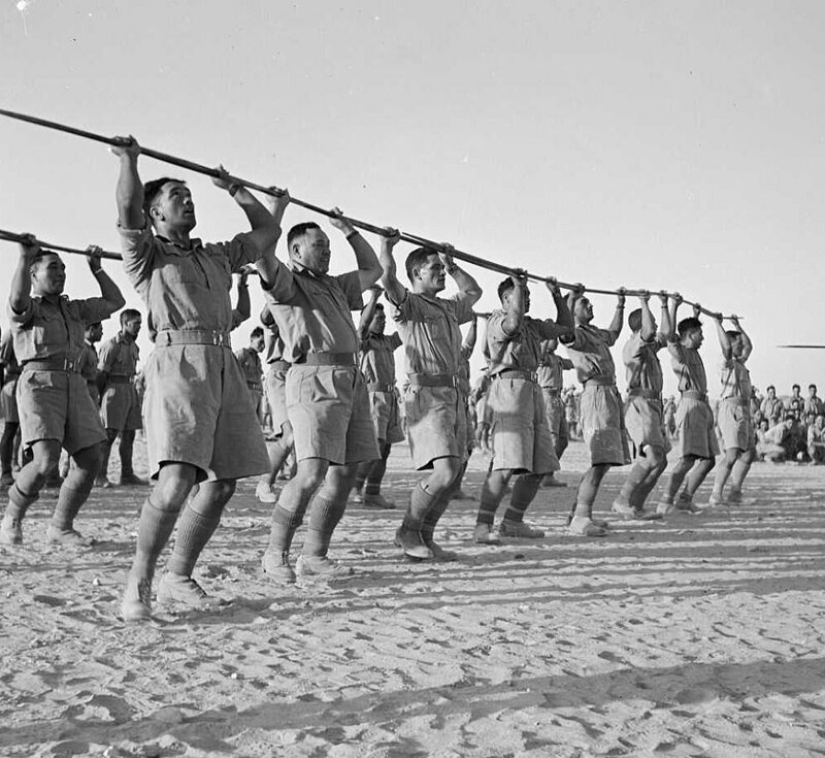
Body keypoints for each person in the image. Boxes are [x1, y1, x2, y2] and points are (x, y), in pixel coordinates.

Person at [112, 137, 279, 621]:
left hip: (223, 362)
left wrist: (236, 190)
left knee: (222, 484)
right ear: (155, 214)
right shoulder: (146, 256)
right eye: (176, 197)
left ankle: (178, 577)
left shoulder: (218, 256)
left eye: (190, 195)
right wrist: (129, 161)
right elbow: (127, 209)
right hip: (177, 362)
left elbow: (268, 230)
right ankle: (139, 581)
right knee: (176, 482)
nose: (188, 201)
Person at [259, 206, 383, 583]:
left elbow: (373, 269)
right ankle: (275, 553)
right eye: (319, 246)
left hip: (350, 379)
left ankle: (314, 554)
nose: (327, 252)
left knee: (344, 474)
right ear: (296, 251)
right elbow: (263, 252)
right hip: (313, 377)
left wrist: (348, 229)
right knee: (311, 473)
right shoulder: (286, 283)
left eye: (329, 246)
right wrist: (276, 208)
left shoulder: (335, 285)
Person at [0, 237, 125, 546]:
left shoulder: (75, 309)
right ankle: (12, 516)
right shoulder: (29, 308)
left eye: (64, 268)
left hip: (75, 383)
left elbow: (115, 302)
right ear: (34, 275)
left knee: (90, 459)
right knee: (45, 461)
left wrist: (97, 269)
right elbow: (16, 298)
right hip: (39, 384)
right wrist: (24, 258)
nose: (61, 273)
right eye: (53, 267)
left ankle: (61, 526)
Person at [380, 236, 482, 561]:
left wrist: (453, 266)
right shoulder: (409, 305)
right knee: (446, 471)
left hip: (453, 395)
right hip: (426, 395)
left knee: (455, 474)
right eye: (434, 268)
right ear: (417, 273)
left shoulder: (448, 307)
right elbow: (388, 279)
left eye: (441, 268)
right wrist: (386, 247)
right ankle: (407, 530)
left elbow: (473, 292)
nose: (440, 273)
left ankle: (425, 537)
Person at [473, 274, 572, 544]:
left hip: (532, 390)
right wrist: (519, 284)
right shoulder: (498, 320)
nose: (527, 300)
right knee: (506, 464)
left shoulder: (532, 325)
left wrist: (557, 295)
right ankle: (483, 525)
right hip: (510, 390)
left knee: (541, 464)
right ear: (506, 299)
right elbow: (513, 322)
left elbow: (565, 327)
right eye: (522, 296)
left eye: (528, 296)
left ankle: (513, 521)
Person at [560, 286, 630, 536]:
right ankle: (580, 517)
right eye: (584, 304)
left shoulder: (593, 332)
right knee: (600, 461)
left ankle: (578, 514)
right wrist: (568, 300)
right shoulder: (575, 333)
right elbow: (565, 332)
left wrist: (620, 304)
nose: (590, 306)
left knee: (605, 460)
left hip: (609, 394)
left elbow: (613, 333)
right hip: (596, 395)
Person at [612, 291, 672, 519]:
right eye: (651, 322)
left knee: (661, 461)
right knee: (652, 458)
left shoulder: (649, 348)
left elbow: (667, 334)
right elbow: (648, 331)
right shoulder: (633, 346)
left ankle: (636, 505)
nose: (654, 327)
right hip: (640, 406)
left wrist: (666, 305)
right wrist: (643, 302)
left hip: (653, 407)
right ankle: (622, 500)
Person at [657, 298, 719, 514]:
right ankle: (666, 501)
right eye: (700, 334)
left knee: (708, 460)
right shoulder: (680, 352)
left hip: (703, 405)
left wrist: (695, 315)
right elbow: (671, 335)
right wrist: (672, 306)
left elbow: (686, 331)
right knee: (687, 458)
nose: (703, 338)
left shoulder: (692, 350)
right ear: (691, 335)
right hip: (690, 406)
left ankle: (685, 499)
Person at [351, 287, 404, 509]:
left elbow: (406, 329)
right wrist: (374, 298)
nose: (383, 322)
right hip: (372, 396)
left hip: (390, 397)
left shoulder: (387, 342)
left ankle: (373, 492)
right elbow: (362, 326)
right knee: (376, 445)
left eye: (384, 319)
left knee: (386, 448)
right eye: (378, 318)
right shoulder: (364, 340)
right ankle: (355, 487)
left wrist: (400, 302)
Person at [707, 315, 756, 506]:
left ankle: (735, 493)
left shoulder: (740, 363)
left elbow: (749, 346)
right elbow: (727, 347)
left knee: (749, 453)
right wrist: (718, 324)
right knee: (732, 454)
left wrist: (737, 325)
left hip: (744, 410)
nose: (742, 347)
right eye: (738, 344)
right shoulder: (725, 361)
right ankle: (716, 494)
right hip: (731, 409)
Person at [96, 308, 145, 487]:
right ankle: (100, 476)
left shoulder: (133, 346)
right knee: (109, 435)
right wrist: (101, 397)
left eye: (140, 323)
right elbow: (101, 374)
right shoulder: (112, 346)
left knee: (129, 434)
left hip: (130, 390)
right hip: (114, 390)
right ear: (125, 324)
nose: (139, 327)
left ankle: (127, 475)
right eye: (135, 324)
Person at [255, 314, 294, 504]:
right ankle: (265, 483)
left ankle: (294, 489)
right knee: (290, 435)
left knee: (303, 439)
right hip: (281, 375)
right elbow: (267, 315)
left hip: (302, 374)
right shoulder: (279, 309)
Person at [537, 335, 574, 487]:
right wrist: (546, 334)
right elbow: (540, 355)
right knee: (551, 439)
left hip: (557, 398)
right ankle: (540, 475)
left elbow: (573, 363)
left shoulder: (557, 359)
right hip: (547, 397)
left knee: (562, 441)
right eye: (553, 338)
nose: (556, 342)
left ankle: (548, 474)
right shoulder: (542, 357)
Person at [0, 331, 22, 487]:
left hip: (30, 382)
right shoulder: (10, 335)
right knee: (11, 428)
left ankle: (27, 469)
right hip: (13, 383)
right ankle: (6, 472)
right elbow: (1, 363)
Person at [235, 326, 266, 423]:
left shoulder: (258, 360)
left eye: (265, 344)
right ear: (252, 339)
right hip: (245, 394)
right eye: (261, 342)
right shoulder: (242, 353)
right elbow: (232, 372)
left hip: (257, 395)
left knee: (256, 425)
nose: (263, 346)